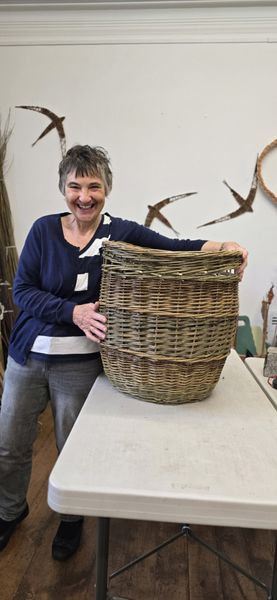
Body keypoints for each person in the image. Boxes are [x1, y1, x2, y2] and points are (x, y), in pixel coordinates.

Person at [0, 145, 248, 560]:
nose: (84, 196)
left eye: (93, 186)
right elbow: (23, 290)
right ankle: (9, 510)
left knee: (72, 445)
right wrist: (72, 311)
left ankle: (72, 520)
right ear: (63, 188)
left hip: (78, 364)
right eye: (75, 185)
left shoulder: (119, 232)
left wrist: (224, 245)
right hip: (27, 357)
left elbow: (174, 246)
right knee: (10, 442)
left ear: (106, 189)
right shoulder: (43, 230)